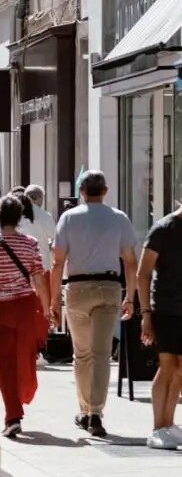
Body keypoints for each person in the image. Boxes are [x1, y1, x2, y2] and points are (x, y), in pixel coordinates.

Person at [51, 170, 138, 438]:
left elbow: (57, 262)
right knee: (101, 354)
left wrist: (54, 300)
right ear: (106, 190)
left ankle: (85, 409)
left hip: (77, 287)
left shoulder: (68, 217)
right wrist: (130, 296)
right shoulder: (118, 218)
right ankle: (96, 413)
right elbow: (131, 260)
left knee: (82, 354)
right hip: (109, 286)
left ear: (81, 192)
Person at [0, 196, 51, 438]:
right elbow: (38, 278)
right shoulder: (29, 243)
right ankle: (22, 396)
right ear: (19, 219)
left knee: (4, 364)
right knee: (25, 357)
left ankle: (13, 415)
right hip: (25, 307)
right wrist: (47, 308)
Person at [136, 203, 182, 449]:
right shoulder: (163, 228)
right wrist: (145, 314)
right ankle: (157, 428)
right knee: (168, 365)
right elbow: (143, 273)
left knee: (180, 369)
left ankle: (168, 425)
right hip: (165, 309)